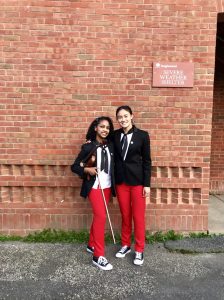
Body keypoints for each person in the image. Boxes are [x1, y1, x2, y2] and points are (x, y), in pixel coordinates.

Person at [71, 116, 115, 271]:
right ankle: (98, 256)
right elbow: (75, 166)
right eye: (102, 127)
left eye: (108, 128)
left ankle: (91, 244)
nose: (105, 130)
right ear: (96, 128)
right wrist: (87, 169)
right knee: (101, 217)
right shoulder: (88, 147)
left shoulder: (111, 145)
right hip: (95, 187)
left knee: (99, 216)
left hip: (108, 186)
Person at [113, 105, 151, 266]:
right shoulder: (114, 135)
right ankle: (126, 245)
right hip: (121, 182)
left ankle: (139, 250)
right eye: (120, 117)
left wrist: (147, 184)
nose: (123, 119)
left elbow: (147, 161)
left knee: (138, 217)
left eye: (125, 116)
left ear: (132, 116)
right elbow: (99, 140)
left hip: (137, 182)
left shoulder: (142, 135)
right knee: (125, 215)